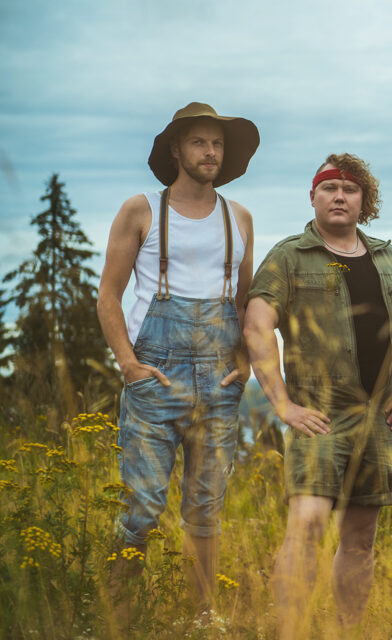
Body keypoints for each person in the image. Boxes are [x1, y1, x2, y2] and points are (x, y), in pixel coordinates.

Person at [243, 153, 392, 637]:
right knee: (306, 525)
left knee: (361, 539)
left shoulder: (390, 258)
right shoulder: (288, 256)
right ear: (313, 197)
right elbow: (258, 325)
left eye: (349, 189)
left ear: (364, 202)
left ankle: (348, 630)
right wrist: (283, 405)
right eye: (329, 188)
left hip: (376, 420)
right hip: (319, 417)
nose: (339, 196)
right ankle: (291, 630)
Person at [96, 102, 258, 614]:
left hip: (219, 379)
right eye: (199, 142)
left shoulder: (240, 217)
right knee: (142, 509)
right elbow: (108, 293)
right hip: (156, 375)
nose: (210, 151)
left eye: (217, 143)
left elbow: (244, 302)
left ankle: (200, 619)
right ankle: (115, 616)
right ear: (176, 150)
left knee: (205, 511)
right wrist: (128, 364)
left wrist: (246, 365)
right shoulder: (142, 209)